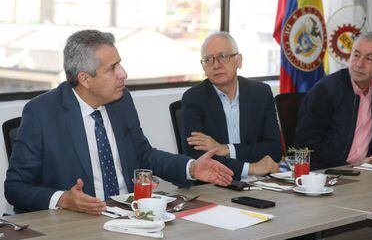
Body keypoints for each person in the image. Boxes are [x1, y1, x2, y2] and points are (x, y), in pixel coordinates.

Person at [4, 30, 233, 214]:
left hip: (128, 214)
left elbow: (144, 155)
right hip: (77, 226)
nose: (123, 74)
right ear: (85, 78)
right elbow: (15, 187)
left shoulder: (121, 100)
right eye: (112, 68)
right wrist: (62, 199)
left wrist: (191, 167)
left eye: (120, 64)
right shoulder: (42, 112)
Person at [181, 32, 282, 179]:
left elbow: (274, 149)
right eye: (208, 60)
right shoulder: (194, 99)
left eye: (223, 56)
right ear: (203, 67)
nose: (216, 65)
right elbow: (198, 158)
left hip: (261, 183)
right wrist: (251, 168)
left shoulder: (261, 93)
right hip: (216, 185)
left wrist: (227, 149)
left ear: (239, 60)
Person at [295, 31, 372, 170]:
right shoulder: (325, 91)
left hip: (368, 172)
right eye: (356, 55)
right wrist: (346, 166)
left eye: (369, 59)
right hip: (329, 173)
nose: (359, 64)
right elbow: (306, 145)